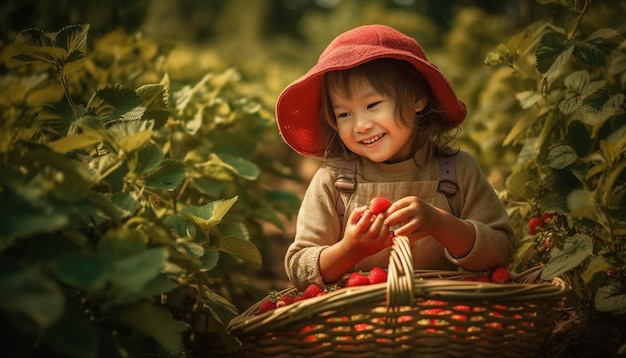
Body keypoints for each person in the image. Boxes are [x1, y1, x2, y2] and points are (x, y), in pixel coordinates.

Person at [276, 24, 515, 289]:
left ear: (417, 98)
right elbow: (299, 267)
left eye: (372, 105)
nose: (360, 125)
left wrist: (440, 223)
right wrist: (350, 249)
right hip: (355, 319)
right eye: (344, 114)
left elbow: (501, 250)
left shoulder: (458, 170)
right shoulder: (333, 181)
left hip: (447, 316)